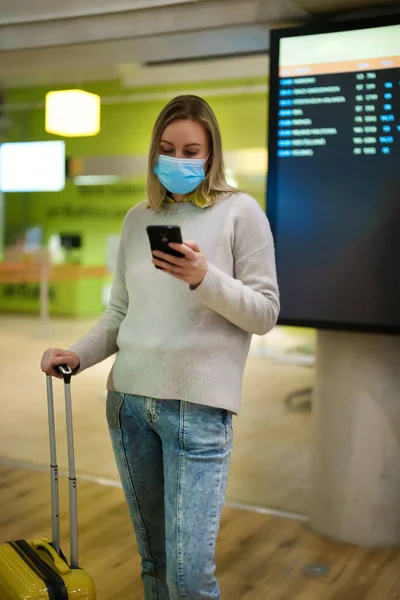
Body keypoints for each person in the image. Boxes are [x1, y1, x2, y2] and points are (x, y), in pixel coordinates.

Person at [41, 95, 280, 600]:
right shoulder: (137, 219)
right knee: (154, 564)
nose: (179, 159)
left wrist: (203, 277)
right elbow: (119, 313)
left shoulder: (242, 212)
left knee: (189, 579)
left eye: (192, 150)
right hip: (128, 403)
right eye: (168, 148)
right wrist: (79, 354)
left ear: (211, 154)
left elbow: (264, 312)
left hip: (199, 412)